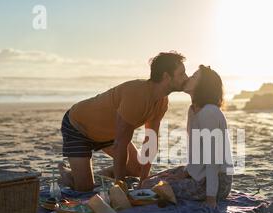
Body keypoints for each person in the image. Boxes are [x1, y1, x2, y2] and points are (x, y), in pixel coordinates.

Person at [59, 52, 188, 192]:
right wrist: (121, 187)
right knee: (84, 189)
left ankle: (85, 174)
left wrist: (143, 181)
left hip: (109, 133)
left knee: (137, 169)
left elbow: (150, 141)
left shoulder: (162, 101)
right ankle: (67, 175)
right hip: (78, 127)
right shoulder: (137, 95)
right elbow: (120, 145)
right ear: (166, 77)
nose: (186, 78)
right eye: (181, 74)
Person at [141, 65, 234, 208]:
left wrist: (211, 199)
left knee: (149, 186)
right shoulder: (193, 110)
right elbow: (198, 153)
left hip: (216, 183)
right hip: (200, 173)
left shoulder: (209, 112)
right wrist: (185, 173)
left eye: (194, 77)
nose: (189, 78)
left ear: (203, 86)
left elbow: (213, 160)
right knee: (149, 181)